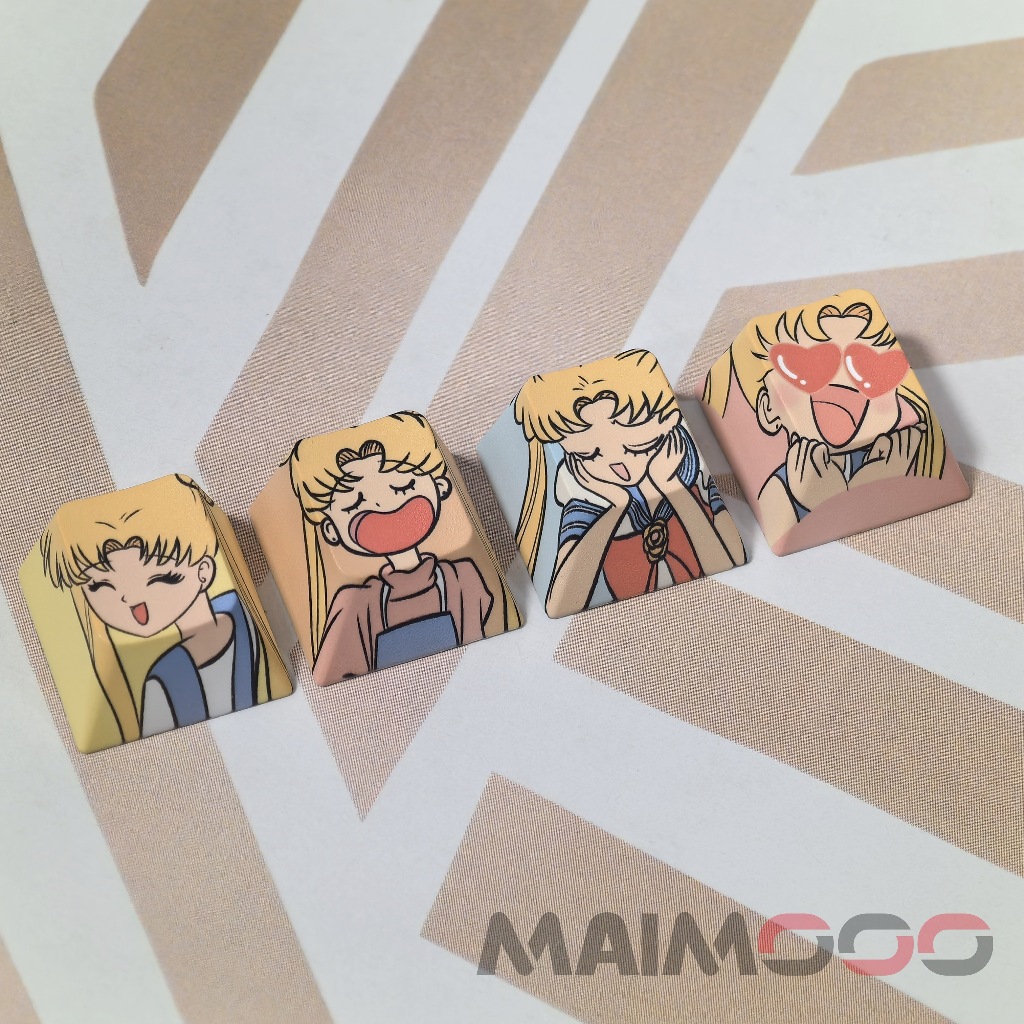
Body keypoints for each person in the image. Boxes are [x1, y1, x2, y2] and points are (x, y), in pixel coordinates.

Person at [41, 474, 275, 742]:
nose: (129, 597)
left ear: (204, 572)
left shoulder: (240, 616)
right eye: (101, 585)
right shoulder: (164, 679)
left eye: (158, 578)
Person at [513, 350, 746, 617]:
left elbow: (725, 555)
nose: (616, 463)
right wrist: (615, 505)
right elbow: (564, 593)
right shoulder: (585, 501)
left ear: (666, 424)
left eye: (636, 447)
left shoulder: (688, 471)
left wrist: (669, 486)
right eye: (590, 454)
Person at [703, 294, 945, 546]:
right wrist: (820, 499)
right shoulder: (785, 481)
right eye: (811, 365)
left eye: (867, 365)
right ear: (766, 408)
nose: (842, 376)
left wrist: (887, 480)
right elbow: (779, 519)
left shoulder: (904, 454)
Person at [289, 412, 504, 682]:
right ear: (331, 530)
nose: (383, 505)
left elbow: (485, 621)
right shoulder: (355, 605)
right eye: (357, 504)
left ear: (440, 487)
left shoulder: (464, 577)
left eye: (404, 487)